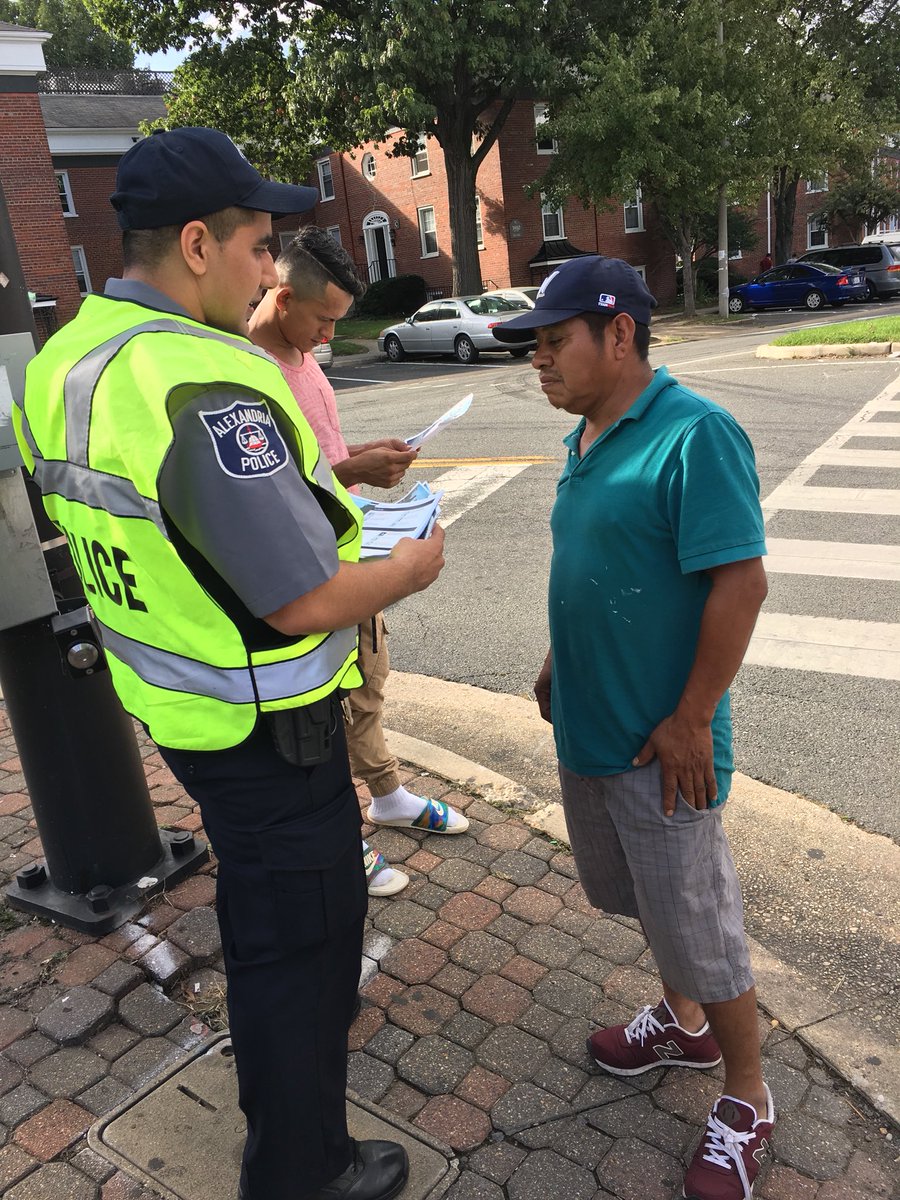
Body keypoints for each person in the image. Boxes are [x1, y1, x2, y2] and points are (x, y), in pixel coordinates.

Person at [14, 127, 447, 1200]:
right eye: (260, 247)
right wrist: (409, 568)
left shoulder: (68, 357)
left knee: (266, 929)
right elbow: (300, 599)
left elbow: (162, 523)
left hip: (179, 708)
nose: (269, 273)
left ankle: (282, 1119)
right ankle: (303, 1170)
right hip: (269, 730)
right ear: (199, 244)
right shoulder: (202, 379)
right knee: (303, 954)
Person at [493, 257, 772, 1200]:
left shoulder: (696, 435)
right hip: (591, 727)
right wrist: (555, 660)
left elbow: (741, 583)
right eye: (534, 346)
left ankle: (748, 1097)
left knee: (701, 924)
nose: (539, 361)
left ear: (620, 334)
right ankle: (683, 1027)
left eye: (554, 341)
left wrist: (692, 718)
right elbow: (602, 566)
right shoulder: (587, 435)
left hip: (664, 749)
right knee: (649, 906)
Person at [249, 226, 468, 898]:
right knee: (320, 712)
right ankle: (344, 834)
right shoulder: (248, 374)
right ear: (283, 297)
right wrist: (352, 472)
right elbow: (273, 495)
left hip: (348, 548)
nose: (329, 337)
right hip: (306, 576)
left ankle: (387, 795)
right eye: (323, 320)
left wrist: (361, 457)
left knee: (368, 680)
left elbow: (318, 457)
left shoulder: (301, 357)